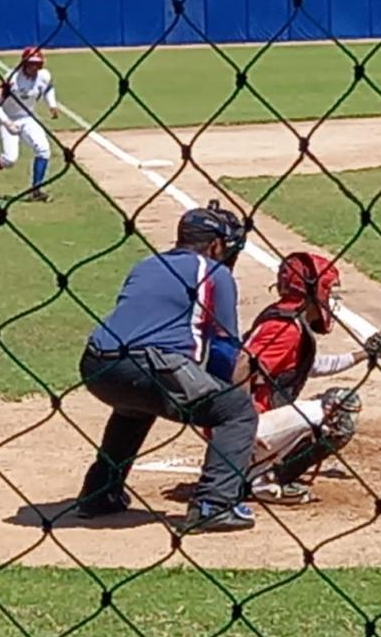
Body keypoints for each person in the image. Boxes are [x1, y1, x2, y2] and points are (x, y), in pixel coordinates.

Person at [76, 200, 259, 532]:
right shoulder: (213, 272)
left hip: (96, 366)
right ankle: (213, 505)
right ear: (216, 245)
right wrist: (220, 402)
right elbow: (225, 349)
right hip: (150, 365)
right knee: (237, 411)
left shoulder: (146, 264)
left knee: (135, 408)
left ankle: (99, 494)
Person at [207, 252, 365, 506]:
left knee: (327, 404)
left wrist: (366, 353)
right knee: (340, 407)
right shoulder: (286, 328)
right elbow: (242, 366)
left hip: (238, 429)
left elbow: (310, 366)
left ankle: (254, 469)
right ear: (313, 290)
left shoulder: (286, 318)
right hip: (244, 433)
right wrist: (240, 421)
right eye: (328, 289)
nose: (331, 298)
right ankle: (262, 480)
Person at [0, 46, 59, 203]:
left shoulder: (44, 76)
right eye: (31, 63)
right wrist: (6, 122)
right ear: (24, 63)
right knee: (9, 160)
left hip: (28, 117)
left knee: (43, 150)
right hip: (8, 117)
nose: (34, 67)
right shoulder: (12, 79)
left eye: (37, 64)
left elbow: (48, 89)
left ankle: (36, 190)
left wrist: (52, 105)